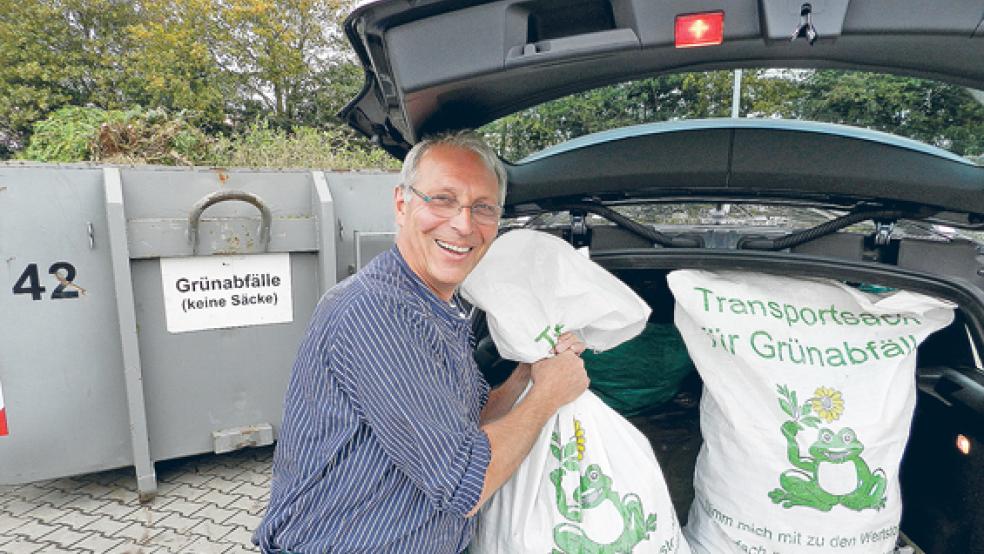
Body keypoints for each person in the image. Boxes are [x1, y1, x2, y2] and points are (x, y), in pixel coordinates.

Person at [254, 131, 590, 553]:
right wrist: (549, 395)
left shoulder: (435, 307)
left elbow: (467, 424)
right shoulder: (375, 311)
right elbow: (466, 485)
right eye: (443, 199)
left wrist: (528, 373)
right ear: (402, 204)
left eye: (483, 207)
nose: (464, 224)